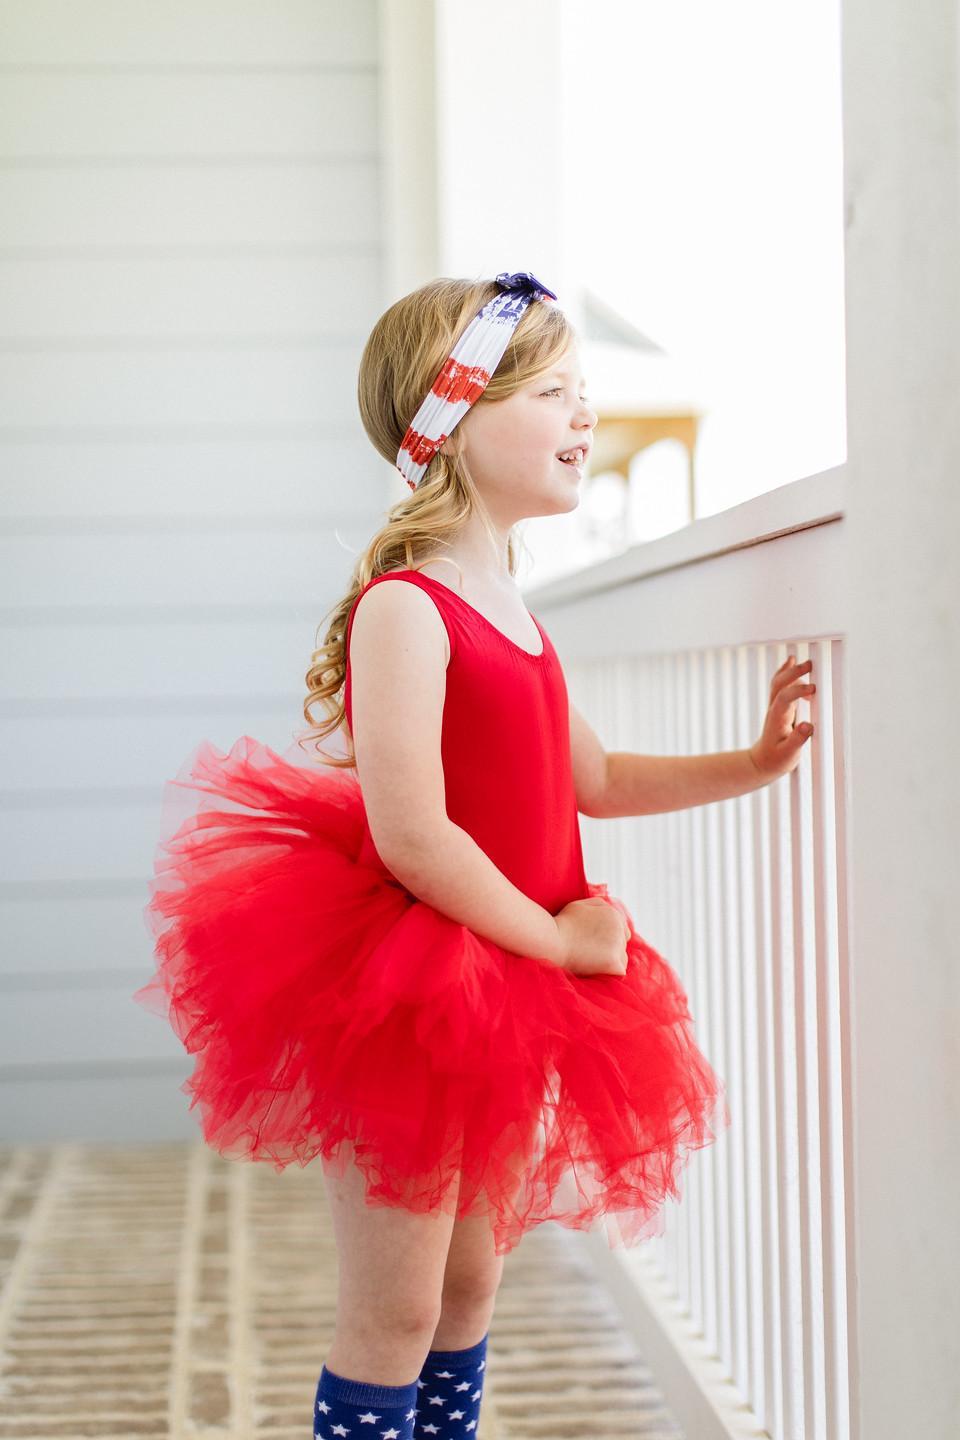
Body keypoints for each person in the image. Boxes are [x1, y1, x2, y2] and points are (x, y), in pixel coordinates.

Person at [133, 271, 816, 1440]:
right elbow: (413, 833)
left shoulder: (515, 604)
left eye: (583, 390)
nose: (586, 415)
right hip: (414, 988)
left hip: (509, 988)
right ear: (453, 420)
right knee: (395, 1308)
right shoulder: (409, 605)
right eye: (554, 390)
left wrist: (749, 763)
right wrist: (555, 935)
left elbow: (591, 780)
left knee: (467, 1289)